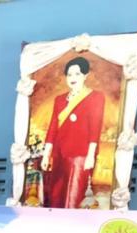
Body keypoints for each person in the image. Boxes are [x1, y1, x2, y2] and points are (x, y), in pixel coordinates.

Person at [40, 56, 106, 209]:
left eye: (77, 74)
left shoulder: (95, 97)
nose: (73, 78)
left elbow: (95, 128)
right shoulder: (60, 100)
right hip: (59, 154)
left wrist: (90, 156)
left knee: (73, 197)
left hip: (80, 155)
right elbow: (53, 128)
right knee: (56, 196)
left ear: (85, 75)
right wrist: (46, 154)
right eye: (69, 75)